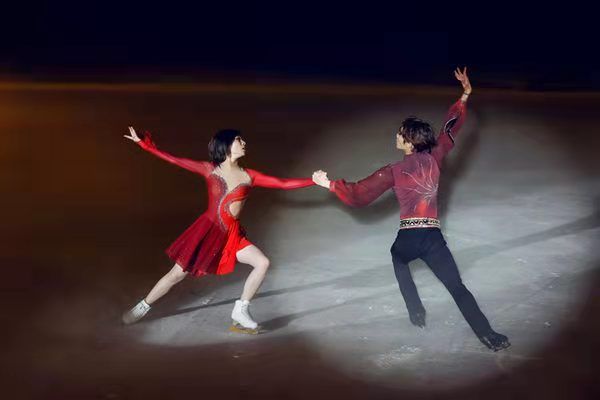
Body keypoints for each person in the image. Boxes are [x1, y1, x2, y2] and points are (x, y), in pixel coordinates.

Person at [312, 68, 511, 351]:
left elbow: (359, 194)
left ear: (409, 141)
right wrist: (465, 95)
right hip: (433, 238)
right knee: (457, 288)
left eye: (400, 134)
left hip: (408, 237)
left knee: (397, 257)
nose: (397, 136)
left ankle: (415, 309)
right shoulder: (436, 156)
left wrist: (328, 183)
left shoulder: (392, 171)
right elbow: (450, 128)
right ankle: (489, 336)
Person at [122, 127, 315, 333]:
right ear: (226, 145)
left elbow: (283, 183)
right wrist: (145, 145)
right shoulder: (209, 169)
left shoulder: (249, 175)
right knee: (176, 275)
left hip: (231, 235)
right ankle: (143, 306)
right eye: (239, 140)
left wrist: (313, 181)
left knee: (262, 262)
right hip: (207, 232)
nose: (244, 143)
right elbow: (174, 160)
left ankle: (241, 310)